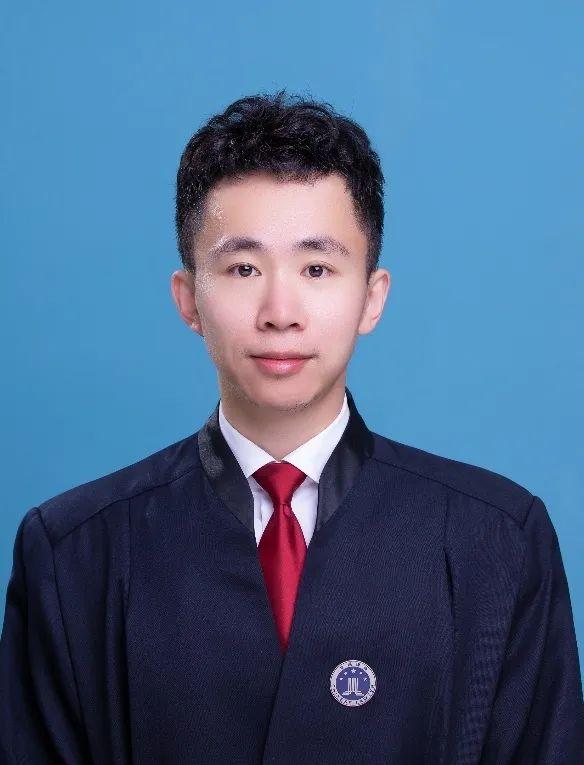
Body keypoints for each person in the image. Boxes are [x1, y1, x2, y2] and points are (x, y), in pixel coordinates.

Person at [0, 89, 582, 764]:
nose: (280, 311)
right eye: (243, 268)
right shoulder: (74, 553)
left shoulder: (496, 540)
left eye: (317, 268)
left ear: (371, 297)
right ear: (189, 299)